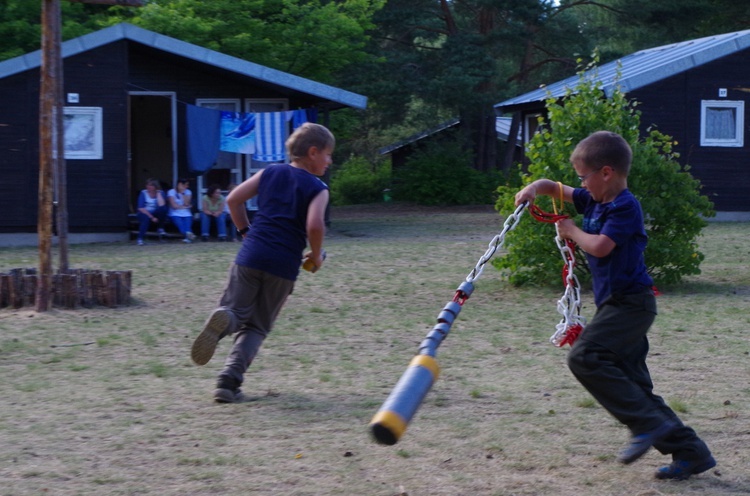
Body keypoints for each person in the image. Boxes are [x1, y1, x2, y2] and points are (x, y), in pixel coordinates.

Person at [514, 131, 715, 481]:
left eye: (583, 177)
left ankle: (646, 426)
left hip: (631, 305)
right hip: (616, 306)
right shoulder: (594, 199)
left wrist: (571, 231)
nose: (580, 184)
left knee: (585, 357)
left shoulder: (624, 205)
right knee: (636, 386)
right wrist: (534, 188)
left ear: (606, 172)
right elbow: (552, 186)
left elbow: (602, 246)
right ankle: (691, 453)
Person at [190, 122, 332, 403]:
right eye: (328, 154)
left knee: (237, 312)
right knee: (257, 326)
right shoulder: (318, 188)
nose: (330, 161)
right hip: (283, 264)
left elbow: (233, 200)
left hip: (251, 254)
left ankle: (226, 319)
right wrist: (316, 255)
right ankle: (228, 382)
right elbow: (315, 225)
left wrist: (245, 232)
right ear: (313, 152)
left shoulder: (270, 172)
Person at [135, 178, 167, 245]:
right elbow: (141, 208)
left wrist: (158, 193)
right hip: (144, 212)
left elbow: (162, 205)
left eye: (151, 185)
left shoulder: (161, 193)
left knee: (163, 209)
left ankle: (160, 228)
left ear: (155, 186)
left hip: (155, 212)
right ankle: (140, 239)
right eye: (147, 185)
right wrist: (151, 217)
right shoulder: (143, 193)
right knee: (145, 218)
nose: (148, 187)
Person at [167, 178, 196, 243]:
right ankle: (190, 236)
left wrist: (182, 193)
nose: (187, 186)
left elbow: (186, 204)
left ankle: (188, 238)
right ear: (180, 184)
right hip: (175, 214)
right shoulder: (171, 192)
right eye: (186, 185)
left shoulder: (188, 192)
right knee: (181, 226)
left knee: (187, 226)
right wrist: (183, 206)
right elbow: (174, 206)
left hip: (187, 213)